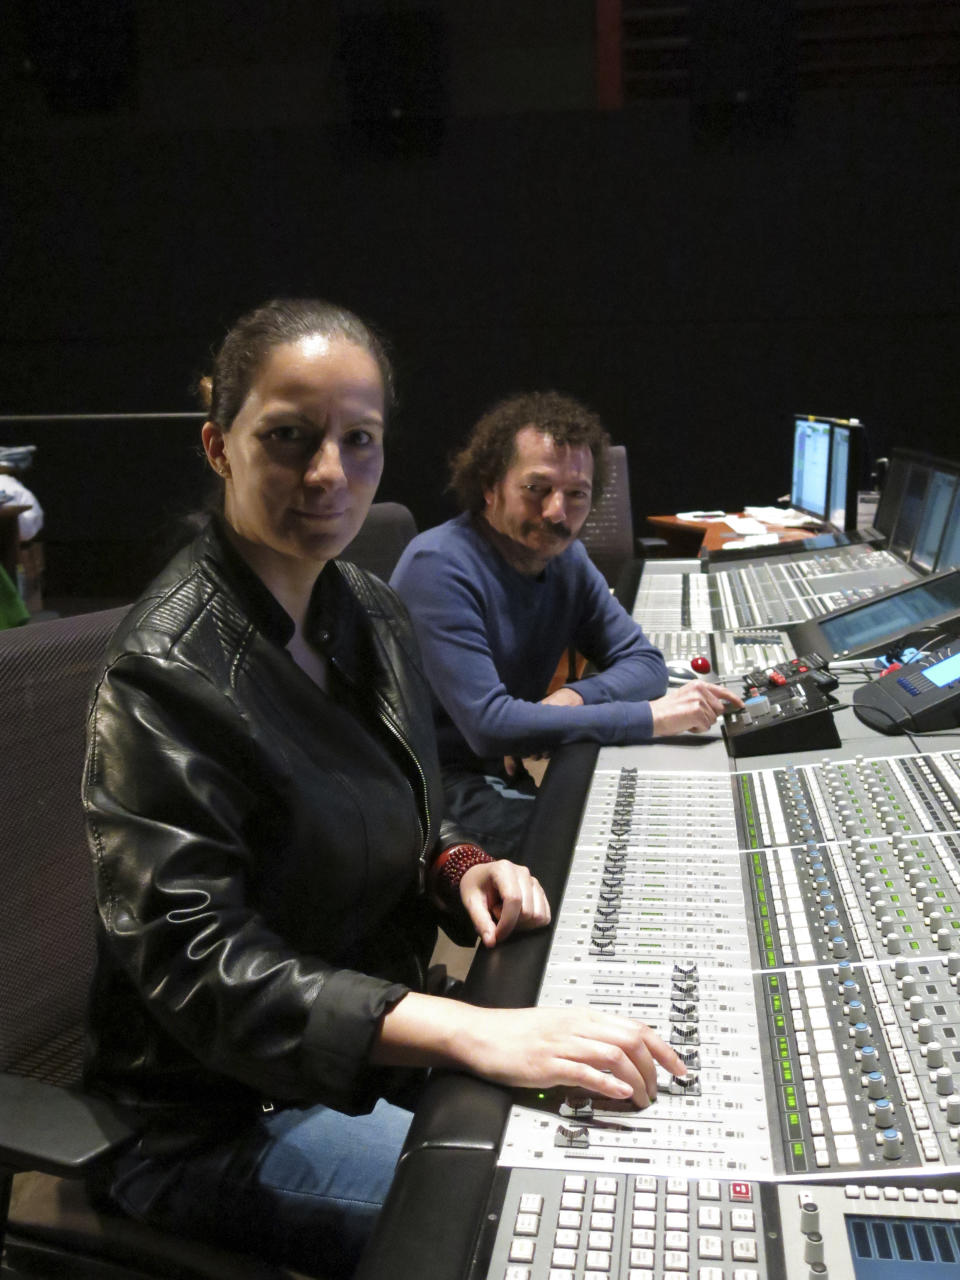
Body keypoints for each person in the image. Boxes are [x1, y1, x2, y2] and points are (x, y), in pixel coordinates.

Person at [82, 301, 686, 1279]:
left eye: (358, 440)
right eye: (288, 436)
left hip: (370, 1052)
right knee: (562, 1234)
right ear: (218, 444)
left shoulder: (364, 606)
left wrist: (457, 860)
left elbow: (391, 794)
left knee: (639, 1159)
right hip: (212, 1119)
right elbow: (202, 964)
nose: (330, 471)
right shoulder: (165, 669)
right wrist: (471, 1028)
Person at [390, 391, 743, 857]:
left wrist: (570, 698)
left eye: (576, 494)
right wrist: (649, 718)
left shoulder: (566, 558)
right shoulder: (437, 567)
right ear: (490, 486)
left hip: (494, 769)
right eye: (537, 489)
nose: (558, 512)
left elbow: (645, 663)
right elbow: (491, 725)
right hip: (430, 786)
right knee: (609, 846)